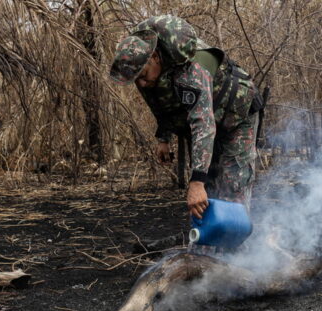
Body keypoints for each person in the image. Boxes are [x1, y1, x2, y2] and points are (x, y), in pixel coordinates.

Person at [110, 16, 262, 226]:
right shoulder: (145, 71)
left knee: (232, 185)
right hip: (207, 120)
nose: (142, 84)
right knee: (206, 193)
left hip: (235, 117)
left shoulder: (191, 69)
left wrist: (197, 180)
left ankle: (239, 251)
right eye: (138, 80)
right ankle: (205, 248)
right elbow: (160, 103)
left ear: (154, 57)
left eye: (143, 75)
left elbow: (203, 124)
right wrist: (163, 137)